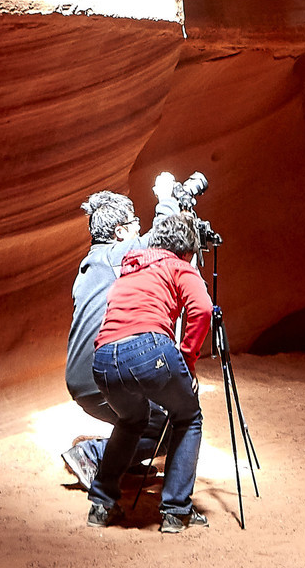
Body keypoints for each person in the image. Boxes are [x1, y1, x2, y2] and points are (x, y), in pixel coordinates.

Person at [87, 212, 212, 534]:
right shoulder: (179, 266)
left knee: (131, 420)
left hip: (104, 358)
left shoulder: (130, 269)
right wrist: (188, 359)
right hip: (148, 348)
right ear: (188, 251)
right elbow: (202, 309)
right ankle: (176, 511)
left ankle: (101, 503)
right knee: (188, 417)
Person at [62, 191, 161, 491]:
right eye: (134, 223)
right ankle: (93, 455)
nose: (139, 228)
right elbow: (160, 239)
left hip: (85, 381)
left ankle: (124, 462)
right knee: (169, 423)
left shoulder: (91, 264)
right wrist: (168, 199)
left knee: (139, 412)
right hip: (102, 380)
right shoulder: (113, 256)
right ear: (119, 233)